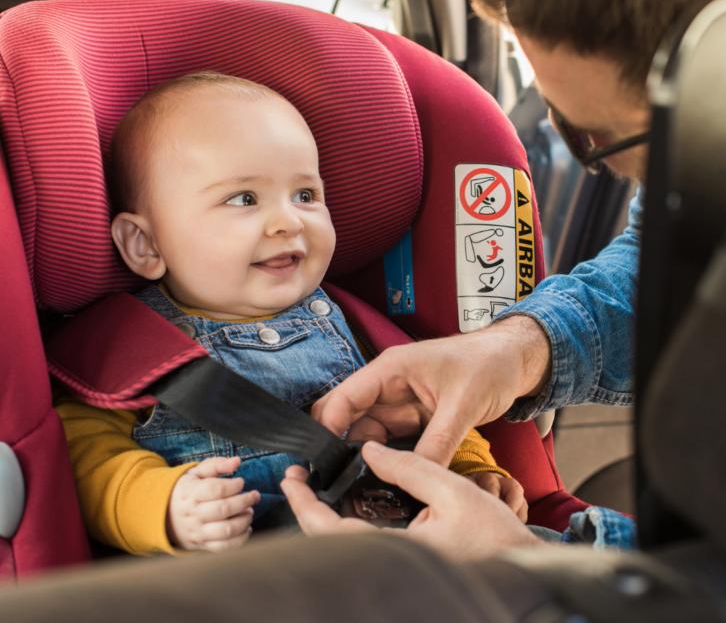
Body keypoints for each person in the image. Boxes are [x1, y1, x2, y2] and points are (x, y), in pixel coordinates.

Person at [282, 0, 726, 557]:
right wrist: (513, 352)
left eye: (596, 137)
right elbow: (676, 256)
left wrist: (532, 570)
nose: (596, 163)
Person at [56, 72, 526, 555]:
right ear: (146, 244)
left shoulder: (352, 323)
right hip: (266, 576)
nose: (288, 221)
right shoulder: (128, 351)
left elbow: (429, 405)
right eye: (244, 199)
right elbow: (87, 459)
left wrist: (471, 469)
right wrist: (167, 507)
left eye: (305, 195)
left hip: (413, 545)